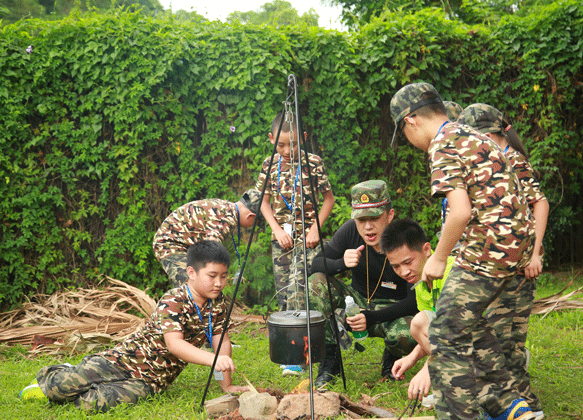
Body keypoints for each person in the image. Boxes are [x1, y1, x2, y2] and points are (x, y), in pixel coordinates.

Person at [390, 82, 537, 420]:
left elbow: (459, 211)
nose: (410, 143)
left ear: (411, 121)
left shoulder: (442, 143)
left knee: (444, 332)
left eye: (404, 133)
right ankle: (512, 409)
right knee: (471, 324)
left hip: (489, 248)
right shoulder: (475, 136)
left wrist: (439, 258)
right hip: (518, 248)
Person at [20, 241, 239, 412]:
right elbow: (175, 345)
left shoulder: (218, 305)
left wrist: (225, 386)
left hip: (151, 380)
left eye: (224, 276)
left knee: (90, 403)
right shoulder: (175, 299)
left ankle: (83, 380)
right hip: (121, 362)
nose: (219, 283)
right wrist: (213, 359)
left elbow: (222, 344)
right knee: (61, 388)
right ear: (191, 272)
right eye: (212, 276)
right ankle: (60, 373)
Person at [459, 103, 549, 419]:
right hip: (499, 267)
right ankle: (527, 406)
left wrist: (535, 252)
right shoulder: (492, 161)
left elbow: (540, 204)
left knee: (499, 342)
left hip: (513, 270)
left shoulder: (511, 160)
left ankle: (511, 406)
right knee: (508, 345)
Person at [299, 180, 418, 388]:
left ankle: (392, 359)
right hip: (356, 301)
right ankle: (330, 361)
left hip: (393, 310)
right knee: (315, 283)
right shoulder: (350, 231)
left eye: (374, 218)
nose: (368, 226)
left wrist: (371, 317)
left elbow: (415, 301)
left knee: (406, 334)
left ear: (389, 216)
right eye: (361, 219)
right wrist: (340, 263)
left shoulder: (405, 237)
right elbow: (315, 265)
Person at [256, 110, 335, 376]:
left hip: (307, 240)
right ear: (271, 139)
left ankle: (301, 357)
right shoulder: (269, 165)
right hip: (282, 241)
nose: (287, 149)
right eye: (281, 144)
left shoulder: (313, 162)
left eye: (293, 143)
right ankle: (287, 352)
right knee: (283, 294)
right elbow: (263, 203)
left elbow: (329, 200)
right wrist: (277, 229)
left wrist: (315, 229)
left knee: (298, 290)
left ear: (302, 138)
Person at [381, 218, 455, 404]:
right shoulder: (421, 285)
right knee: (420, 323)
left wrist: (429, 368)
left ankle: (468, 388)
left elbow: (458, 332)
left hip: (493, 350)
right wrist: (412, 358)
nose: (404, 272)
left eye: (408, 262)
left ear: (427, 249)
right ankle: (455, 386)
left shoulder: (453, 271)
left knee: (419, 321)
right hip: (465, 348)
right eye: (396, 266)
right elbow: (434, 332)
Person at [152, 190, 262, 288]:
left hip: (181, 244)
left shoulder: (226, 207)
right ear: (251, 216)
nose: (252, 226)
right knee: (191, 286)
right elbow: (211, 251)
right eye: (255, 223)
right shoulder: (228, 218)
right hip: (170, 244)